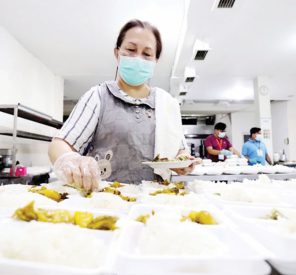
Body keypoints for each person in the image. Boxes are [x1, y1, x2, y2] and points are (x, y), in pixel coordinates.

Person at [49, 19, 194, 190]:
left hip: (156, 203)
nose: (138, 58)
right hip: (105, 201)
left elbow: (180, 151)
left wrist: (184, 161)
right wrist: (71, 160)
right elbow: (60, 144)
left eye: (147, 54)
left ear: (155, 61)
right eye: (131, 50)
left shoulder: (167, 103)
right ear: (117, 53)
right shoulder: (98, 96)